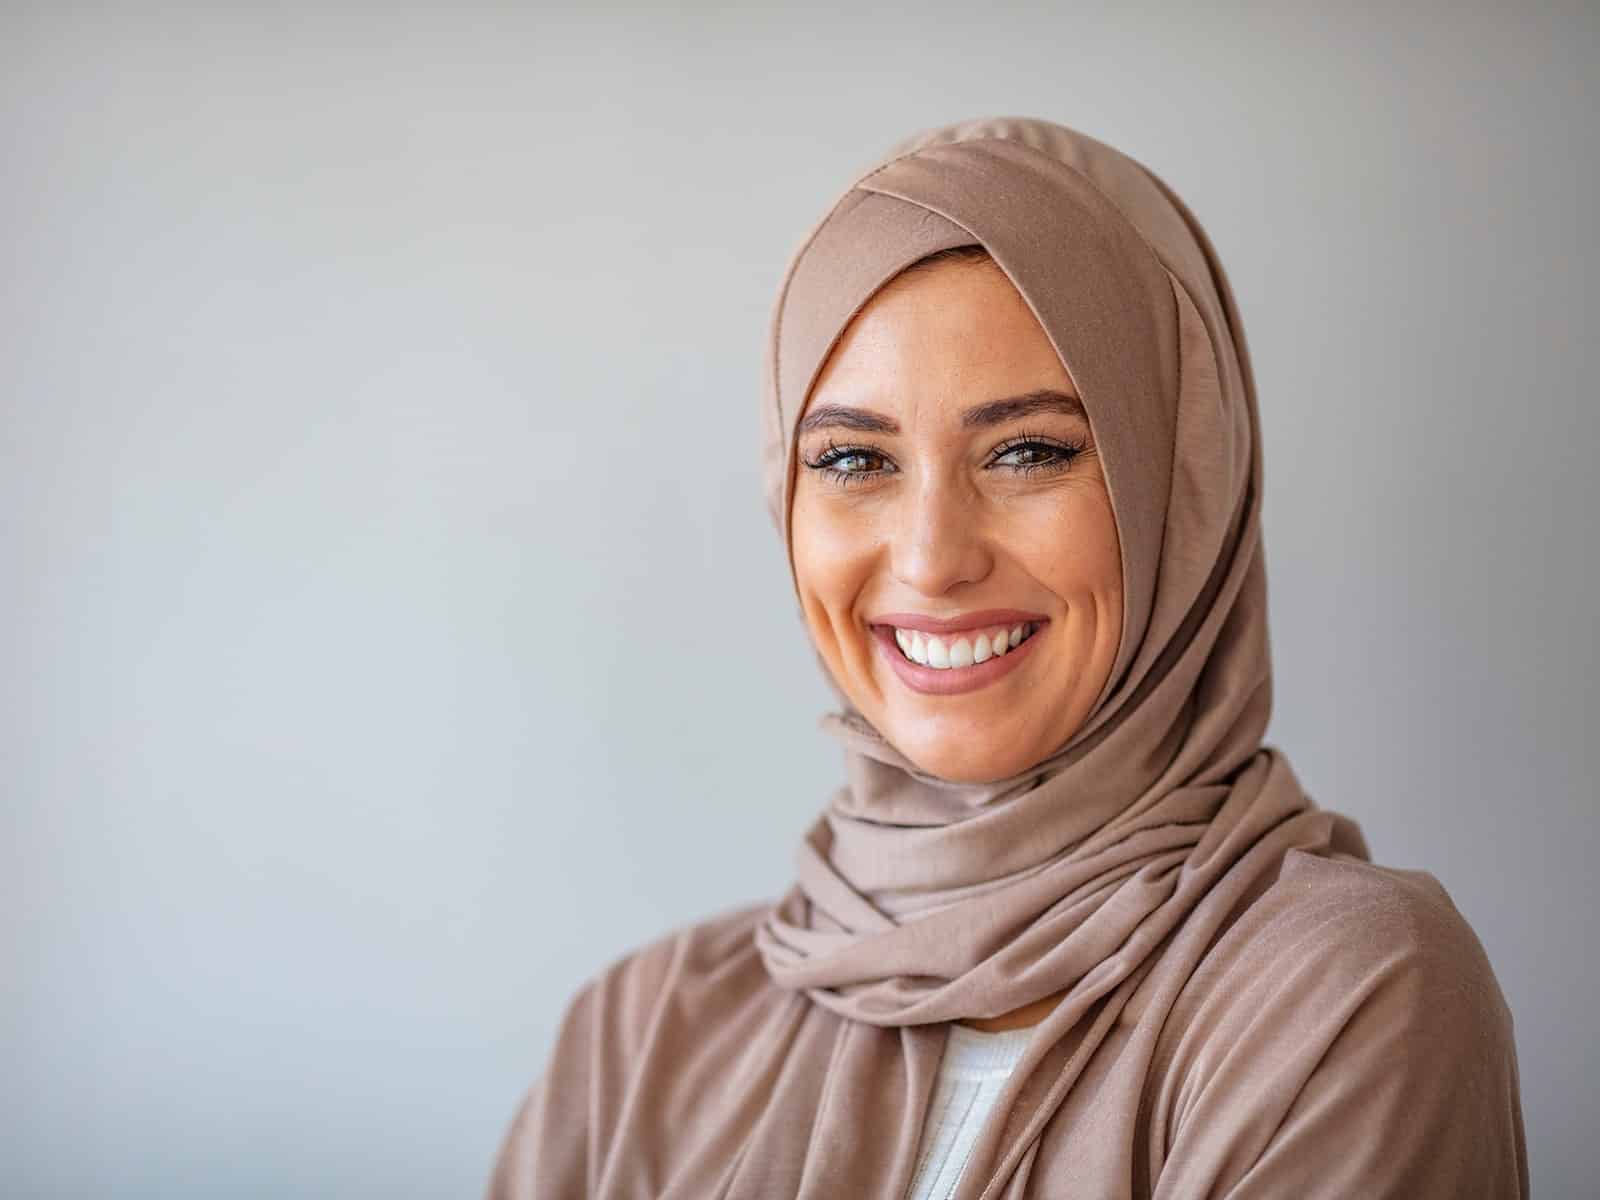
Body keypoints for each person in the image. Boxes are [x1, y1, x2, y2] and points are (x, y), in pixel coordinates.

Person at [487, 115, 1528, 1198]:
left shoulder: (1338, 998)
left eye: (1028, 451)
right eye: (853, 459)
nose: (934, 559)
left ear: (1179, 488)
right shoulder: (641, 1036)